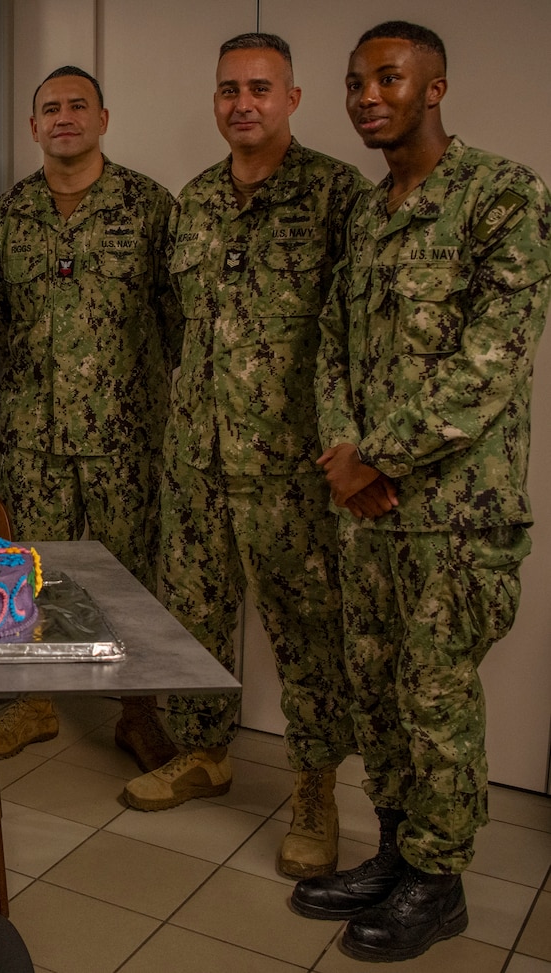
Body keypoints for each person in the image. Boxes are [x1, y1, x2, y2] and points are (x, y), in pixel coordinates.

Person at [293, 22, 550, 961]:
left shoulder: (503, 196)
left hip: (452, 514)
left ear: (435, 88)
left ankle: (440, 881)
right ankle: (398, 848)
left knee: (436, 696)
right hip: (366, 510)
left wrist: (382, 458)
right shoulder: (367, 211)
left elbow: (491, 360)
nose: (367, 95)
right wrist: (341, 451)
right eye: (356, 81)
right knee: (376, 689)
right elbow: (332, 343)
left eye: (389, 79)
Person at [122, 33, 365, 883]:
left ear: (294, 98)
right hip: (196, 459)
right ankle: (203, 751)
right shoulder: (190, 204)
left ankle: (314, 788)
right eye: (228, 89)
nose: (242, 103)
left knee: (307, 631)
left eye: (260, 87)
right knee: (191, 614)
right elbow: (172, 322)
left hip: (293, 466)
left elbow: (360, 334)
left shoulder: (338, 196)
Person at [0, 66, 177, 766]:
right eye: (50, 108)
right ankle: (36, 702)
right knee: (33, 573)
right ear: (34, 127)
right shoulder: (7, 217)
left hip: (125, 433)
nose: (64, 117)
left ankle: (139, 709)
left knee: (134, 575)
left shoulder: (150, 208)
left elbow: (175, 320)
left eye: (78, 105)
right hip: (34, 436)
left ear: (103, 118)